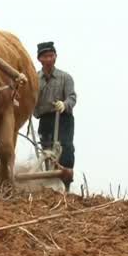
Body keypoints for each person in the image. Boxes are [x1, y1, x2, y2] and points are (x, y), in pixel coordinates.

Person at [34, 41, 77, 192]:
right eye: (45, 56)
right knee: (46, 152)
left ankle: (66, 184)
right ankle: (49, 184)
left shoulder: (65, 77)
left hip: (63, 119)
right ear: (39, 59)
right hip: (45, 119)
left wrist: (64, 104)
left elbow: (72, 97)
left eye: (51, 56)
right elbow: (29, 97)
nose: (49, 59)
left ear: (55, 57)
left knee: (65, 149)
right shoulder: (35, 79)